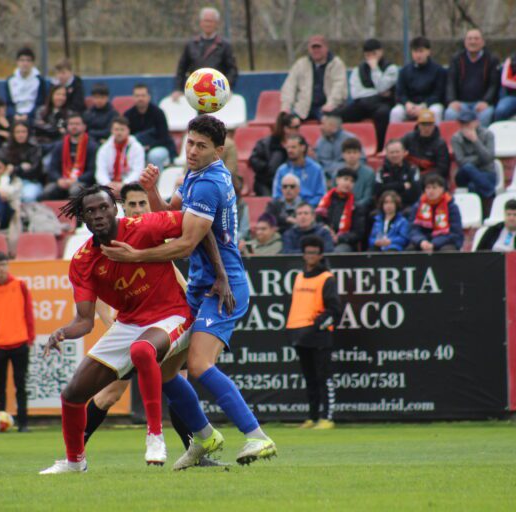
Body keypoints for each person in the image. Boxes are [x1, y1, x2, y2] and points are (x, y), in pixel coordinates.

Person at [102, 115, 277, 467]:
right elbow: (171, 216)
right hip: (203, 282)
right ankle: (204, 437)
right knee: (165, 371)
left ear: (219, 151)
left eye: (201, 145)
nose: (192, 150)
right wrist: (151, 190)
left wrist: (137, 255)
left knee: (198, 364)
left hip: (222, 287)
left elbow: (183, 245)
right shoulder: (196, 175)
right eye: (190, 142)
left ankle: (258, 437)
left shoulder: (209, 183)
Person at [39, 185, 225, 474]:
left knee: (143, 351)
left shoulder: (145, 226)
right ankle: (75, 462)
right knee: (72, 394)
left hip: (172, 314)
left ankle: (155, 436)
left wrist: (220, 274)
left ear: (116, 208)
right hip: (129, 323)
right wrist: (63, 332)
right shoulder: (83, 261)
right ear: (83, 218)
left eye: (103, 207)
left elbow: (199, 225)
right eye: (91, 211)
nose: (98, 215)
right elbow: (85, 321)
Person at [286, 235, 341, 430]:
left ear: (320, 255)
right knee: (309, 378)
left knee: (324, 377)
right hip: (300, 335)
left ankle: (327, 418)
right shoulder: (299, 276)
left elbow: (334, 310)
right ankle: (312, 417)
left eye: (314, 253)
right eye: (307, 252)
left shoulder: (327, 278)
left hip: (319, 336)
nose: (310, 256)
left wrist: (317, 325)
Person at [0, 252, 35, 433]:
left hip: (20, 342)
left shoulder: (19, 285)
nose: (1, 268)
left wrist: (30, 338)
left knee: (20, 384)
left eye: (4, 264)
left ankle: (23, 423)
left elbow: (28, 313)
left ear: (8, 265)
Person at [340, 38, 399, 152]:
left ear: (381, 52)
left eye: (374, 54)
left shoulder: (391, 68)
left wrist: (374, 68)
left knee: (383, 114)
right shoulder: (358, 70)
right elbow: (356, 93)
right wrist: (378, 94)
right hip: (363, 104)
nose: (371, 58)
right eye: (367, 55)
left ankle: (381, 148)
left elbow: (382, 86)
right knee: (338, 115)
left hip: (382, 104)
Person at [172, 6, 238, 101]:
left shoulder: (224, 46)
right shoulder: (191, 44)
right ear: (201, 23)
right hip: (195, 93)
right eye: (205, 21)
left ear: (216, 23)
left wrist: (227, 88)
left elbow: (232, 70)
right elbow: (181, 69)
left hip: (216, 92)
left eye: (210, 21)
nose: (208, 24)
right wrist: (178, 89)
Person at [280, 35, 347, 121]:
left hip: (327, 108)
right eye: (313, 48)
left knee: (330, 125)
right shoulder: (301, 64)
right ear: (309, 49)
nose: (316, 50)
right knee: (287, 123)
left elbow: (339, 87)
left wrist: (331, 104)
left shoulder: (336, 64)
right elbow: (289, 86)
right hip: (304, 109)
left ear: (326, 48)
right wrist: (286, 106)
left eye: (319, 47)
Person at [444, 28, 500, 127]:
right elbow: (450, 82)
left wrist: (486, 101)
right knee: (450, 114)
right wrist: (452, 101)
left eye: (476, 39)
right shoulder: (456, 59)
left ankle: (480, 142)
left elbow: (493, 84)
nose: (472, 42)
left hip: (482, 103)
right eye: (469, 39)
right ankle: (454, 142)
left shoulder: (491, 59)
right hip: (461, 103)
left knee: (485, 115)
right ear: (465, 42)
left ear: (482, 42)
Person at [390, 36, 446, 124]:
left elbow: (438, 94)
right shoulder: (404, 71)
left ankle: (435, 137)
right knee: (396, 112)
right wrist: (407, 104)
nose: (418, 55)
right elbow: (400, 93)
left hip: (429, 105)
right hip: (410, 106)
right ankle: (396, 138)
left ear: (428, 52)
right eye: (415, 51)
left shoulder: (438, 70)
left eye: (421, 51)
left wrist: (424, 106)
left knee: (436, 111)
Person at [43, 113, 98, 200]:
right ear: (67, 126)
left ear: (84, 126)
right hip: (63, 180)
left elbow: (92, 171)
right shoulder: (59, 145)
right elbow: (52, 168)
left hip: (82, 181)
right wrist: (59, 180)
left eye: (77, 124)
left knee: (75, 190)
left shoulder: (92, 146)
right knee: (48, 191)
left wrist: (76, 180)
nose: (74, 126)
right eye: (71, 124)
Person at [125, 84, 177, 171]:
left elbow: (164, 137)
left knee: (154, 155)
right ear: (133, 97)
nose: (140, 98)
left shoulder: (158, 113)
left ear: (148, 97)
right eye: (137, 96)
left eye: (143, 95)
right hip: (136, 148)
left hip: (159, 147)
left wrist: (148, 146)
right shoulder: (128, 115)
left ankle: (156, 183)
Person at [249, 112, 301, 196]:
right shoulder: (266, 144)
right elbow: (254, 160)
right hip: (267, 184)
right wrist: (267, 168)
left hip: (292, 183)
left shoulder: (301, 145)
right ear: (286, 129)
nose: (299, 130)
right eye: (296, 127)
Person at [408, 174, 463, 252]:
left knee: (447, 251)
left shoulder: (451, 207)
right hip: (424, 241)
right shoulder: (418, 206)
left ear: (442, 189)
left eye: (434, 187)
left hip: (445, 241)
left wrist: (434, 243)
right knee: (410, 250)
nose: (431, 191)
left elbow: (455, 233)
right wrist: (421, 241)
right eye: (428, 187)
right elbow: (413, 229)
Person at [315, 168, 365, 252]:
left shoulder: (356, 207)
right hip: (323, 238)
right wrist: (326, 230)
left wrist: (339, 238)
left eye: (352, 181)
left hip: (345, 243)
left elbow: (358, 233)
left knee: (338, 252)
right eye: (345, 179)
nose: (348, 183)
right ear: (337, 180)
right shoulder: (324, 202)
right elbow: (318, 221)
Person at [452, 110, 497, 199]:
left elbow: (488, 159)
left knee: (473, 186)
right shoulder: (456, 138)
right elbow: (461, 161)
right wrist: (479, 159)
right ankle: (490, 191)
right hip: (465, 175)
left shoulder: (488, 134)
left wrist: (475, 141)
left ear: (476, 122)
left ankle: (480, 209)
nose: (464, 126)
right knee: (468, 167)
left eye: (467, 123)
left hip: (486, 172)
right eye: (462, 123)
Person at [95, 116, 145, 195]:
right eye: (116, 129)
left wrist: (124, 184)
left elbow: (138, 171)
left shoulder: (137, 147)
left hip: (130, 185)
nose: (119, 133)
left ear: (128, 131)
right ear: (111, 131)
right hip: (109, 185)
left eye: (122, 129)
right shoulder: (104, 148)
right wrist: (108, 184)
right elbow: (100, 172)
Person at [0, 121, 44, 203]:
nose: (20, 135)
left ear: (28, 133)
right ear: (13, 133)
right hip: (10, 181)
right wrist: (20, 168)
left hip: (30, 182)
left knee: (28, 196)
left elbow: (34, 170)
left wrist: (13, 169)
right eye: (17, 132)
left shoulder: (35, 148)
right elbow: (0, 167)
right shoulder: (5, 148)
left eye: (23, 131)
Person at [271, 135, 325, 206]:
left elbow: (320, 195)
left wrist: (305, 208)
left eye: (293, 147)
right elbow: (277, 196)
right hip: (286, 210)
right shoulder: (282, 170)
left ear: (303, 148)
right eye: (288, 147)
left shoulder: (316, 169)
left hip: (309, 210)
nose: (289, 150)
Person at [401, 110, 451, 181]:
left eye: (429, 124)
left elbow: (442, 169)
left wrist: (420, 176)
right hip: (410, 173)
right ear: (418, 125)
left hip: (431, 178)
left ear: (434, 125)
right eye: (423, 124)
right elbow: (396, 151)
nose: (426, 128)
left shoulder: (440, 143)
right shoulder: (408, 138)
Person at [374, 139, 421, 209]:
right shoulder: (381, 171)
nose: (395, 155)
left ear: (404, 152)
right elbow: (378, 192)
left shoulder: (412, 170)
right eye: (392, 152)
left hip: (406, 206)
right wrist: (402, 186)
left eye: (397, 152)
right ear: (386, 154)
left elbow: (415, 193)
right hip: (385, 208)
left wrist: (388, 187)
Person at [4, 47, 48, 121]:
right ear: (17, 62)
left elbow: (40, 103)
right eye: (22, 60)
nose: (25, 63)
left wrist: (28, 115)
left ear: (32, 63)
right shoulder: (10, 80)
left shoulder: (39, 80)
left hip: (33, 117)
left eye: (28, 60)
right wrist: (14, 115)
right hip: (15, 117)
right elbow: (9, 103)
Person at [314, 114, 357, 179]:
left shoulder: (350, 139)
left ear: (333, 126)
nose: (321, 127)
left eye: (323, 124)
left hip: (346, 175)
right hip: (324, 177)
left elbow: (360, 160)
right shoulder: (320, 141)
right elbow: (318, 162)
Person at [338, 138, 375, 211]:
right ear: (343, 155)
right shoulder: (337, 173)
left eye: (355, 152)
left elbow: (368, 197)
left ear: (360, 154)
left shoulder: (369, 173)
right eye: (348, 152)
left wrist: (353, 207)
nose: (352, 155)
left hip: (361, 210)